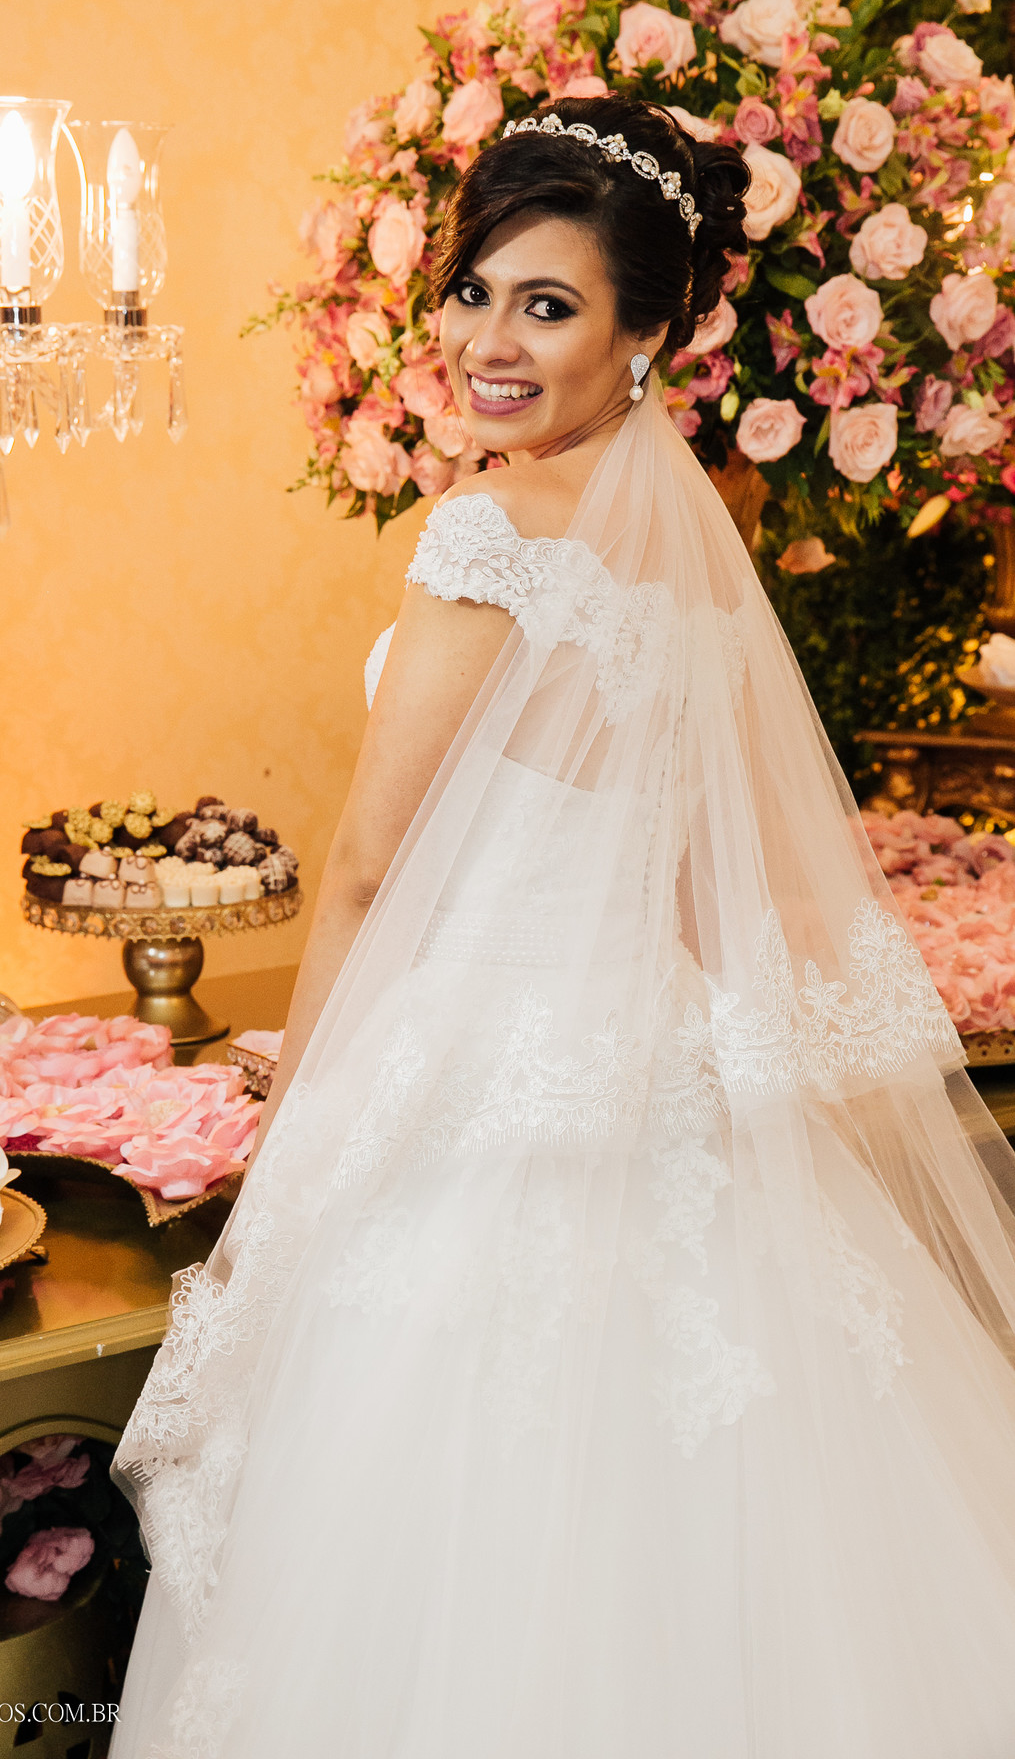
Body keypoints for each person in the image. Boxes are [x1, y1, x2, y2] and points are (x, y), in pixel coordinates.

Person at [112, 98, 1015, 1758]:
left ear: (649, 331)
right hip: (653, 1092)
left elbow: (372, 875)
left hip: (473, 1105)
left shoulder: (483, 533)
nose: (489, 342)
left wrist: (285, 1158)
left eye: (550, 305)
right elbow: (701, 884)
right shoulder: (692, 552)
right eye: (477, 292)